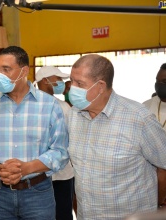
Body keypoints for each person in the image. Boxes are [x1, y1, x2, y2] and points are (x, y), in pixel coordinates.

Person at [0, 46, 69, 220]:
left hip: (37, 193)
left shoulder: (50, 105)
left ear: (24, 71)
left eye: (6, 69)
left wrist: (27, 168)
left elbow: (60, 151)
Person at [67, 54, 166, 219]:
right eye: (72, 81)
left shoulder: (139, 119)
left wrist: (156, 206)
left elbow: (163, 166)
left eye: (79, 84)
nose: (72, 88)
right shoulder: (73, 116)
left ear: (100, 86)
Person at [34, 66, 74, 220]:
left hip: (62, 173)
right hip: (38, 173)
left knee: (62, 213)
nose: (61, 83)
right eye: (58, 79)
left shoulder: (63, 106)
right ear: (45, 80)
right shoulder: (29, 105)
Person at [142, 63, 166, 207]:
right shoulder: (145, 106)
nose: (159, 85)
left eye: (164, 82)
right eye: (158, 81)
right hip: (150, 175)